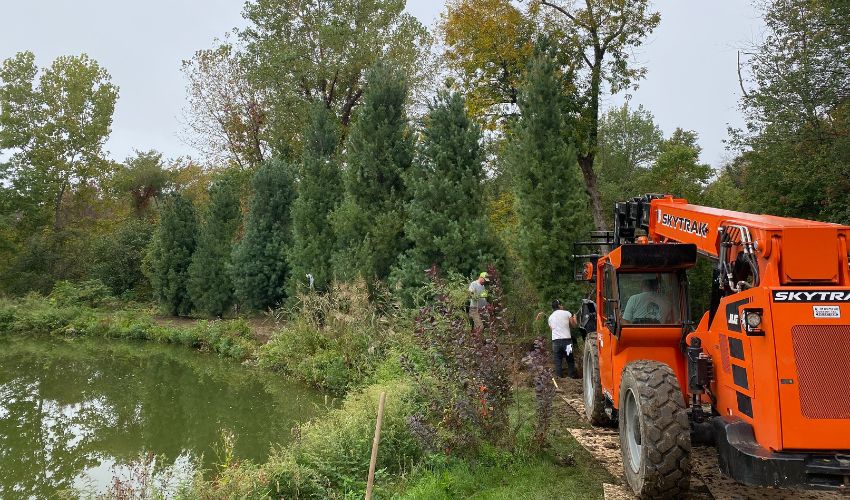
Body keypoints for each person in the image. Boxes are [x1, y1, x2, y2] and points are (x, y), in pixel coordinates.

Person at [548, 299, 578, 378]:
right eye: (561, 305)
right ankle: (571, 377)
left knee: (558, 361)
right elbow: (574, 325)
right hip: (567, 342)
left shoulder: (550, 317)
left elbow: (552, 329)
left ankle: (559, 378)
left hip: (556, 343)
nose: (562, 306)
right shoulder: (567, 313)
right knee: (570, 360)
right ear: (559, 306)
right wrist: (575, 318)